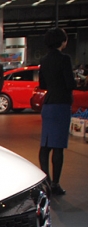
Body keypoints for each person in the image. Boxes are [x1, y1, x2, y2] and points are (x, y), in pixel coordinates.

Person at [38, 27, 75, 196]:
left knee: (45, 145)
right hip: (61, 105)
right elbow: (70, 83)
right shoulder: (65, 59)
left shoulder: (44, 60)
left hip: (48, 105)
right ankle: (55, 184)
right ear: (63, 41)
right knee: (58, 146)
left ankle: (45, 181)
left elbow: (43, 84)